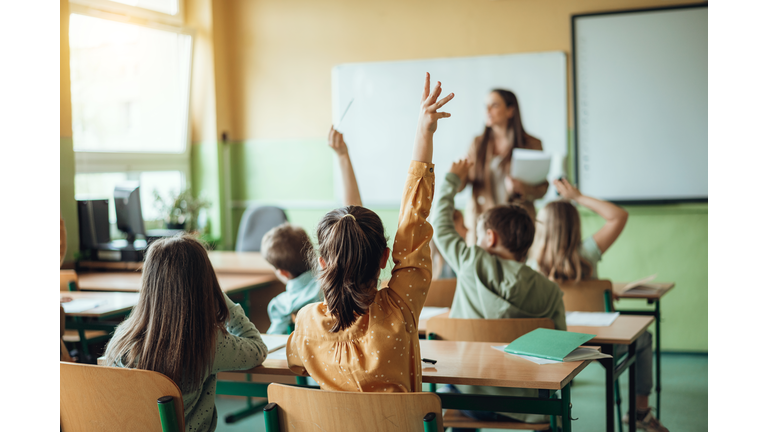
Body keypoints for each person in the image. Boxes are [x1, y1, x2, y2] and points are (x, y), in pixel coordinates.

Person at [286, 72, 453, 392]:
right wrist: (423, 132)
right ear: (385, 258)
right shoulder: (399, 310)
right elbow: (412, 223)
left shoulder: (307, 321)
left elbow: (295, 361)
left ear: (322, 262)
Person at [432, 158, 565, 429]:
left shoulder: (470, 262)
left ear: (490, 238)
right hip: (528, 406)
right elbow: (560, 354)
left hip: (466, 400)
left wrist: (451, 180)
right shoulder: (551, 291)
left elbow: (440, 223)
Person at [531, 180, 667, 432]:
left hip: (550, 344)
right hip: (596, 343)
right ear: (574, 227)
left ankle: (546, 413)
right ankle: (640, 411)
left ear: (541, 227)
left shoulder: (531, 264)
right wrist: (578, 196)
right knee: (644, 338)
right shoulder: (586, 253)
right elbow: (619, 216)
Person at [104, 235, 268, 432]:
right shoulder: (207, 343)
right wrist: (221, 298)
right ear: (205, 286)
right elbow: (258, 348)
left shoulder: (121, 338)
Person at [262, 125, 364, 335]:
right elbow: (355, 216)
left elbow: (273, 344)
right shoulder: (335, 281)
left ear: (282, 272)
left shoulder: (281, 305)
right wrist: (343, 156)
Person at [461, 89, 549, 243]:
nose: (487, 110)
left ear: (510, 110)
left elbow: (542, 188)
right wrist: (458, 174)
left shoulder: (531, 144)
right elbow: (462, 185)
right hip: (482, 222)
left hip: (516, 223)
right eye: (485, 106)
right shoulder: (477, 143)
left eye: (494, 105)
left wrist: (523, 188)